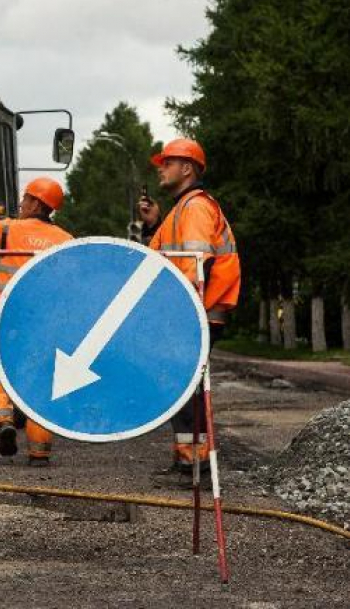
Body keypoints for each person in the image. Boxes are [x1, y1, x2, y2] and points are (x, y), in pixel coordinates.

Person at [138, 138, 240, 473]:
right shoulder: (181, 210)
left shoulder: (195, 207)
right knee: (185, 386)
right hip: (195, 310)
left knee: (183, 386)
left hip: (196, 311)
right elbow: (160, 257)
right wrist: (153, 224)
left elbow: (198, 264)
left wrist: (181, 314)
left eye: (167, 162)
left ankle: (193, 463)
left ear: (187, 168)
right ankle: (190, 461)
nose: (161, 169)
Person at [0, 177, 74, 465]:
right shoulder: (66, 240)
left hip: (7, 321)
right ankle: (39, 450)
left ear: (37, 203)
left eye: (26, 198)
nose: (21, 203)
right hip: (44, 326)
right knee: (41, 382)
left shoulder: (12, 229)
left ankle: (3, 421)